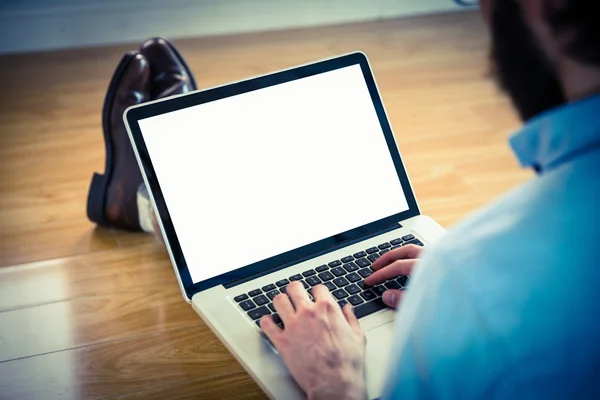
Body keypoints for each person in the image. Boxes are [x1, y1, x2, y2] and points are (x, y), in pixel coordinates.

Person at [87, 0, 600, 398]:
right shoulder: (475, 275)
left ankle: (137, 199)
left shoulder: (470, 278)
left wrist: (335, 385)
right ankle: (136, 199)